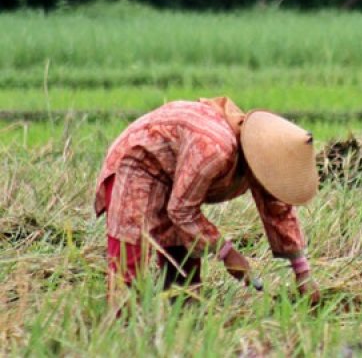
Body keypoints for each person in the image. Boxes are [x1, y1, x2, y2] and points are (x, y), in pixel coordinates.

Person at [94, 97, 321, 304]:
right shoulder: (214, 151)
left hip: (174, 170)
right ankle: (123, 324)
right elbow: (182, 211)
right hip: (138, 161)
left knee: (183, 250)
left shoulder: (263, 160)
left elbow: (278, 209)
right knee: (130, 253)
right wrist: (227, 252)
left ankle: (183, 319)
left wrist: (303, 275)